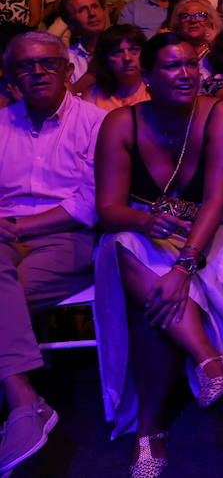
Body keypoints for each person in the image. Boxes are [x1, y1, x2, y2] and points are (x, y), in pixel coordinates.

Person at [93, 33, 223, 472]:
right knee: (123, 244)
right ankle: (208, 359)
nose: (186, 74)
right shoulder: (121, 124)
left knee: (151, 302)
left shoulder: (220, 114)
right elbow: (108, 210)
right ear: (147, 77)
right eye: (172, 66)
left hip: (215, 234)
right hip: (146, 235)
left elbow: (217, 199)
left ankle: (149, 430)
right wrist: (145, 222)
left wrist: (183, 267)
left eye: (191, 64)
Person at [0, 33, 104, 472]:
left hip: (68, 236)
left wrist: (19, 227)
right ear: (11, 79)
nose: (38, 72)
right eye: (25, 66)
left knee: (6, 300)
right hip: (3, 236)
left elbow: (91, 203)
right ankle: (25, 402)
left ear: (68, 70)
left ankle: (21, 402)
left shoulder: (97, 123)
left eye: (47, 63)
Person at [83, 25, 151, 112]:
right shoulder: (92, 97)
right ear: (105, 58)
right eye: (118, 52)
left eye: (134, 50)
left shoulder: (157, 91)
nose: (127, 58)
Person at [59, 0, 109, 85]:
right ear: (70, 22)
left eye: (95, 6)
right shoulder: (67, 60)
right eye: (82, 10)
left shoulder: (126, 51)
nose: (92, 13)